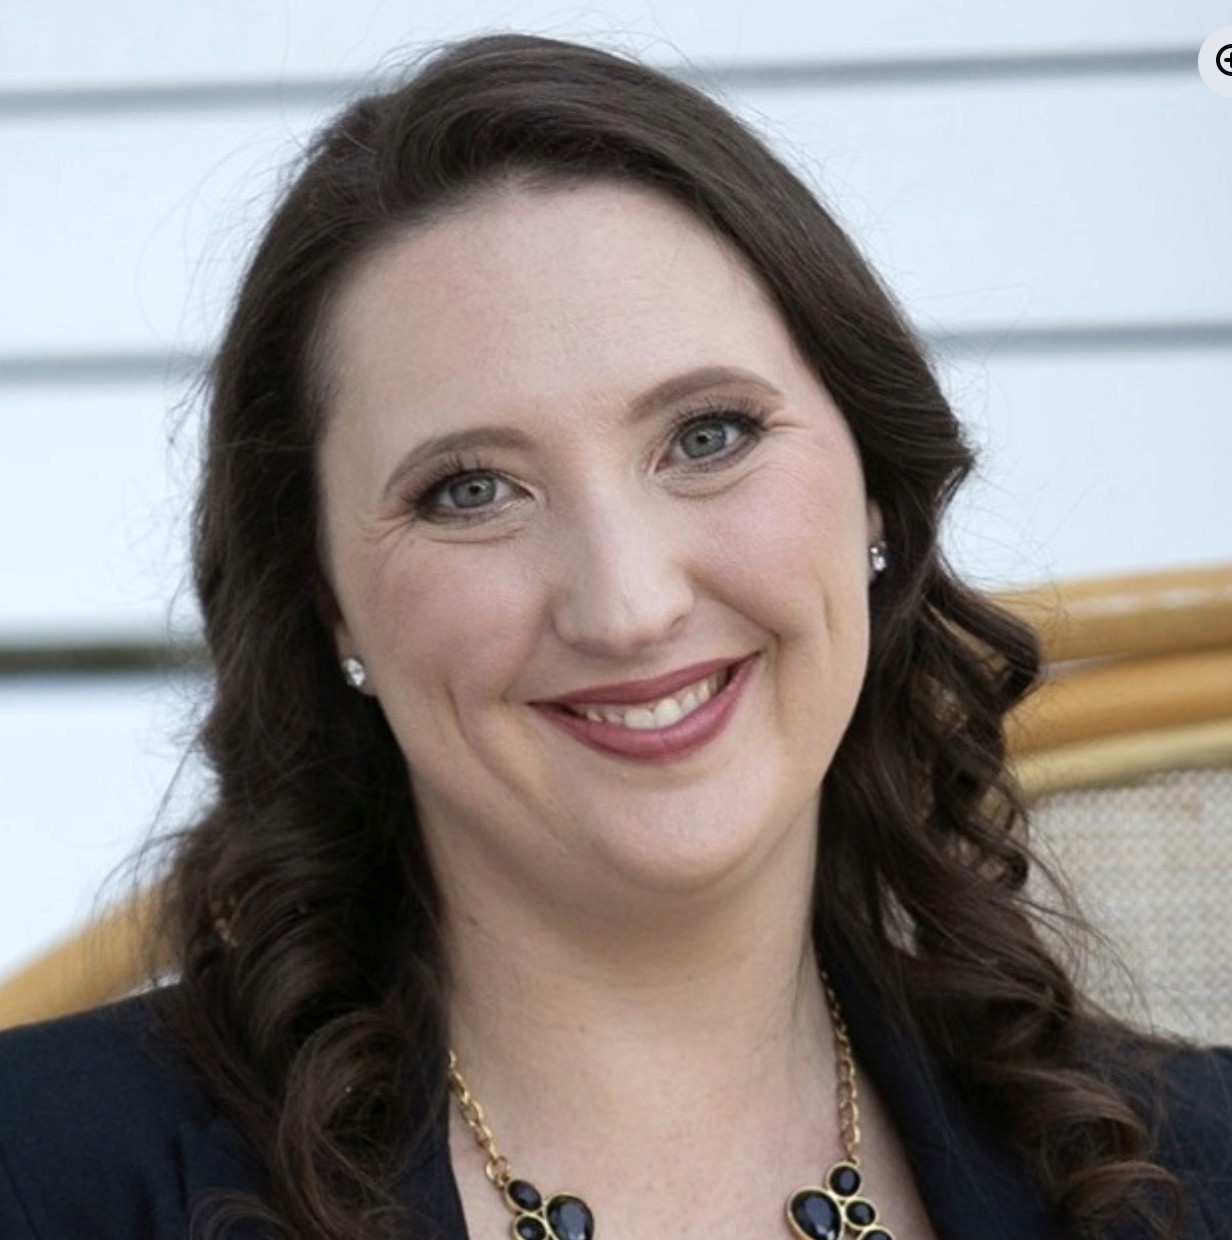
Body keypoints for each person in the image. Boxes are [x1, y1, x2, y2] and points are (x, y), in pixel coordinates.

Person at [0, 32, 1229, 1240]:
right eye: (469, 489)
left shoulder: (1204, 1166)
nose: (628, 603)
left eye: (706, 436)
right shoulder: (42, 1173)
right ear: (324, 602)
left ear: (872, 487)